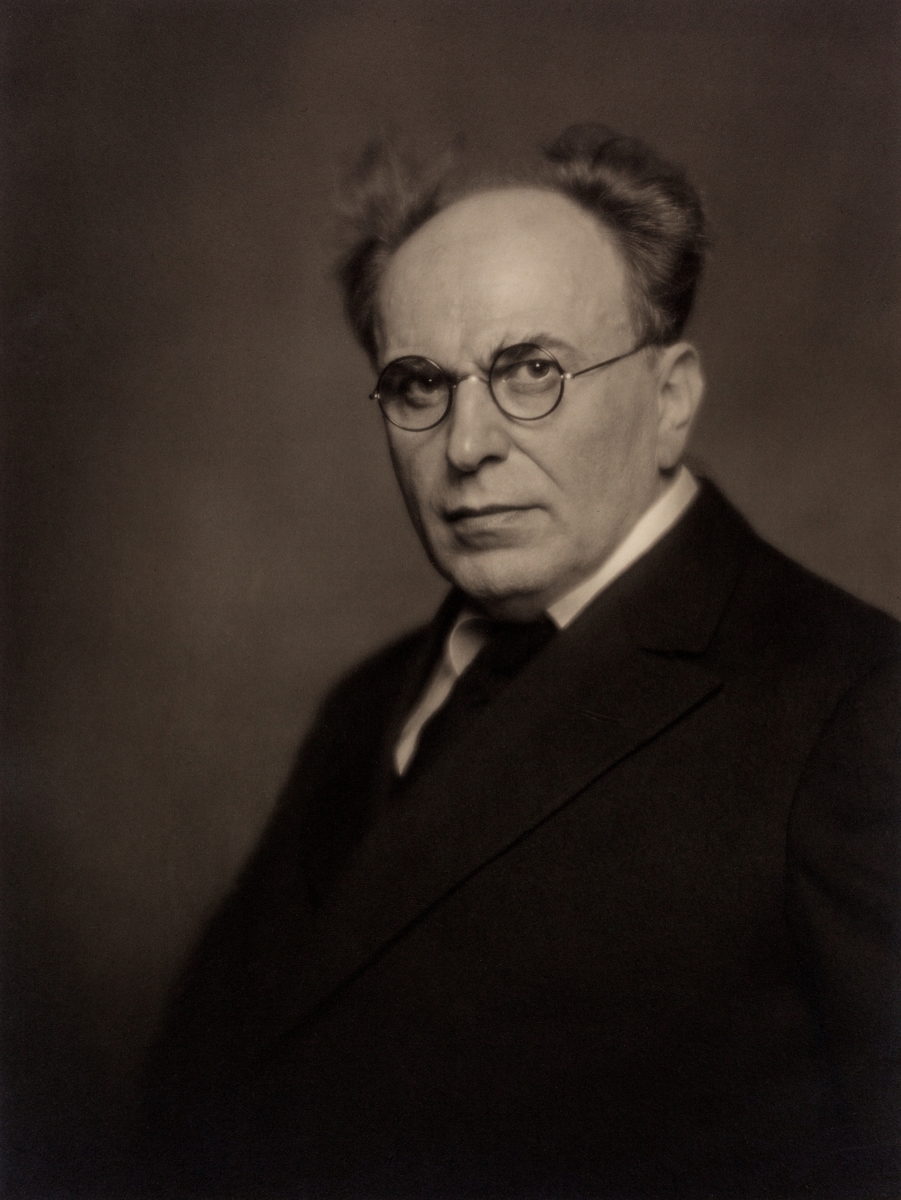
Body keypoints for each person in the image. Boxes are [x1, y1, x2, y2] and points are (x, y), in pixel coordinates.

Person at [145, 125, 901, 1198]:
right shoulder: (366, 703)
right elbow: (196, 1093)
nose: (466, 446)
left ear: (670, 401)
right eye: (418, 385)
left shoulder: (856, 707)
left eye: (532, 370)